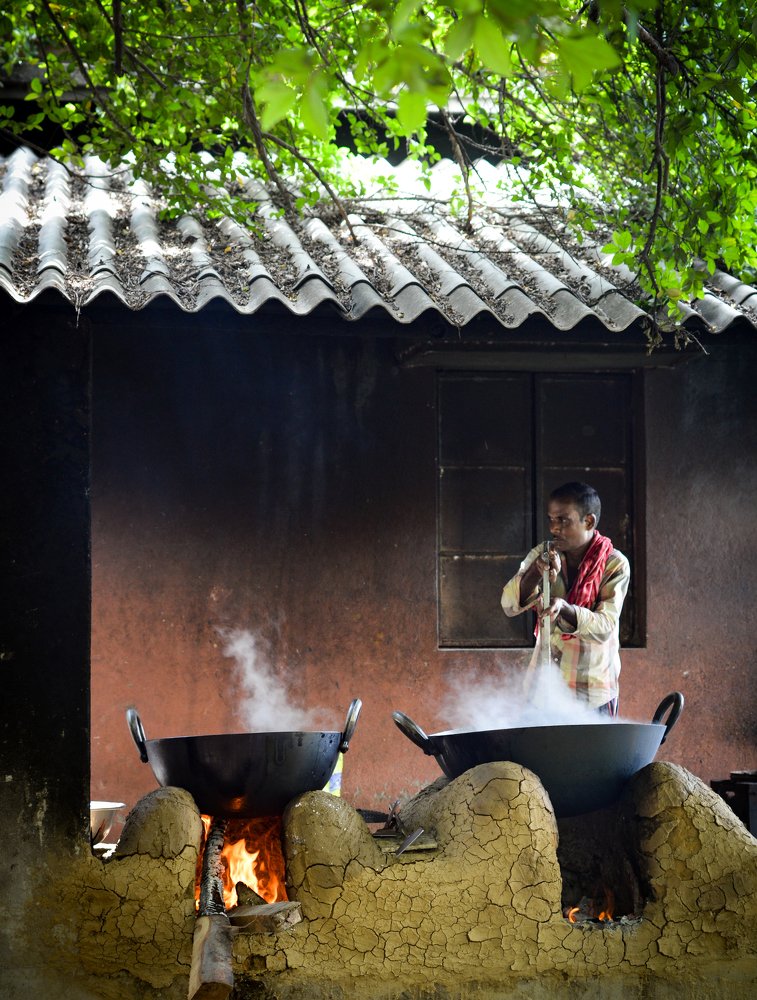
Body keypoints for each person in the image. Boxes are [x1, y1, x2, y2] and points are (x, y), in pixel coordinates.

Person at [501, 482, 630, 716]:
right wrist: (536, 570)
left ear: (588, 522)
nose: (554, 528)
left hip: (592, 695)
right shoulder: (545, 553)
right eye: (551, 520)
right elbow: (509, 604)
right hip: (543, 693)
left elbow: (604, 627)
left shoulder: (614, 563)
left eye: (563, 521)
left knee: (594, 754)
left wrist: (564, 608)